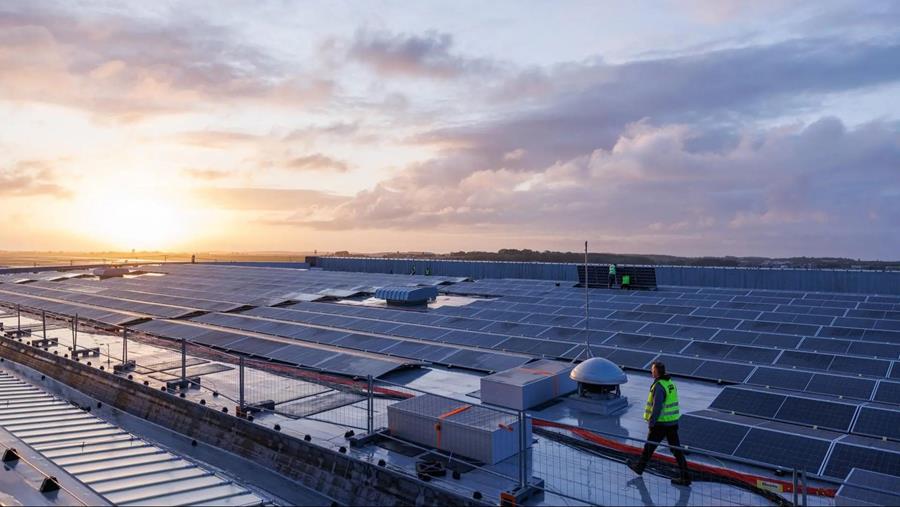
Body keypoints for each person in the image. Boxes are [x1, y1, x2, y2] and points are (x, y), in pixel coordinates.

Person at [628, 361, 692, 486]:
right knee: (676, 450)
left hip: (661, 424)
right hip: (672, 423)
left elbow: (657, 407)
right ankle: (686, 477)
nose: (651, 371)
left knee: (649, 447)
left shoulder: (659, 386)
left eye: (652, 370)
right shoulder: (670, 383)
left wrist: (651, 422)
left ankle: (639, 468)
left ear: (657, 372)